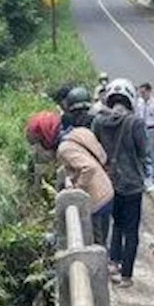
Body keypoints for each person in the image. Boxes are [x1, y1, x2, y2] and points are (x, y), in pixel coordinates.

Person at [92, 78, 152, 288]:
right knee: (131, 230)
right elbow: (143, 151)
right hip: (132, 184)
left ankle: (113, 263)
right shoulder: (135, 123)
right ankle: (126, 276)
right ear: (130, 100)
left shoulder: (99, 121)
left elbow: (95, 147)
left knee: (115, 224)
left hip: (108, 182)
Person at [57, 92, 115, 247]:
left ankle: (102, 269)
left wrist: (77, 189)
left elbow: (88, 168)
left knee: (96, 242)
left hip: (95, 198)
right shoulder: (84, 132)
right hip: (107, 190)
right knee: (104, 236)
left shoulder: (64, 148)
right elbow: (102, 157)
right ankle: (107, 262)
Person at [138, 83, 154, 191]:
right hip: (142, 129)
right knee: (143, 154)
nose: (142, 94)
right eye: (141, 92)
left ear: (149, 91)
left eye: (143, 92)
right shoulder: (139, 103)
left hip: (151, 129)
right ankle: (146, 178)